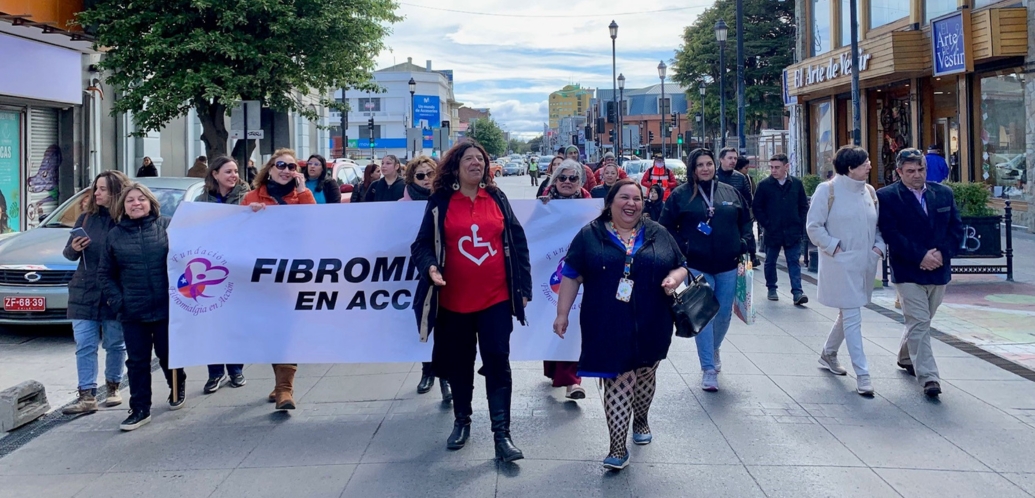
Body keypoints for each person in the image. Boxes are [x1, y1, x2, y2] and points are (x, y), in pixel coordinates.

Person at [553, 178, 688, 470]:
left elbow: (681, 264)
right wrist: (562, 313)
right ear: (610, 202)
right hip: (606, 323)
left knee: (645, 375)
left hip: (653, 320)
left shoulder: (657, 232)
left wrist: (674, 279)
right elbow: (571, 275)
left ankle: (640, 419)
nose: (631, 204)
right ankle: (617, 447)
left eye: (637, 199)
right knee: (619, 377)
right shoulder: (589, 235)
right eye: (624, 198)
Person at [410, 139, 531, 462]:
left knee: (497, 362)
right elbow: (420, 245)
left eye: (481, 159)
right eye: (470, 159)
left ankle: (502, 435)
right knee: (459, 365)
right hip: (453, 303)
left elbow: (517, 242)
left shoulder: (497, 197)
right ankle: (461, 421)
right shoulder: (441, 202)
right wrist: (430, 267)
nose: (477, 163)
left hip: (496, 299)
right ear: (456, 166)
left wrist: (525, 288)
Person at [659, 148, 752, 392]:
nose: (705, 168)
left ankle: (713, 348)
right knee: (705, 316)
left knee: (723, 315)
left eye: (709, 164)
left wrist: (743, 243)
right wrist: (684, 248)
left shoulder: (730, 192)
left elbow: (745, 221)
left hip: (728, 264)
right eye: (699, 165)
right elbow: (665, 227)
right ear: (692, 169)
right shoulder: (680, 196)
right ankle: (708, 368)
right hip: (697, 266)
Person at [98, 183, 186, 431]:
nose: (136, 204)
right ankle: (139, 408)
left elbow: (188, 257)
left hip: (166, 307)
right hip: (132, 311)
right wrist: (119, 301)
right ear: (123, 207)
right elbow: (105, 274)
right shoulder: (114, 235)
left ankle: (177, 385)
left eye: (141, 199)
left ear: (150, 203)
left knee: (168, 355)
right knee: (137, 362)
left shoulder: (167, 227)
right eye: (130, 201)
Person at [877, 148, 963, 397]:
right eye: (911, 171)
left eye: (921, 169)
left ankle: (906, 357)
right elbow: (891, 233)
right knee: (919, 320)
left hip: (939, 270)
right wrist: (920, 256)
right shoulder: (887, 197)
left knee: (922, 322)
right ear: (899, 172)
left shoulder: (944, 193)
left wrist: (941, 254)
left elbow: (956, 229)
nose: (917, 175)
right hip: (907, 270)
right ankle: (929, 377)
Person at [806, 145, 886, 397]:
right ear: (850, 168)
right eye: (864, 163)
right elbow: (814, 226)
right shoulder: (827, 190)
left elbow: (877, 226)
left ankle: (828, 353)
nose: (870, 165)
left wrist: (878, 248)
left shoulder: (870, 191)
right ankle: (863, 375)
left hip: (865, 263)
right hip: (840, 263)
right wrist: (835, 248)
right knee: (852, 316)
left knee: (848, 311)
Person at [244, 149, 316, 410]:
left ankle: (285, 389)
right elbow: (239, 236)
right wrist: (249, 216)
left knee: (287, 330)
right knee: (271, 331)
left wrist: (304, 191)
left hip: (294, 275)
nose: (286, 170)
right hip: (263, 278)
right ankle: (279, 385)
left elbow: (316, 225)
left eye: (292, 166)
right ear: (270, 168)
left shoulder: (302, 196)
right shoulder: (251, 197)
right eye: (281, 165)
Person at [61, 171, 130, 415]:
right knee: (85, 344)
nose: (96, 193)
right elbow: (68, 254)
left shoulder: (125, 221)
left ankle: (113, 386)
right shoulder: (86, 218)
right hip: (84, 289)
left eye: (102, 189)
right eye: (95, 188)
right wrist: (74, 247)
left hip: (112, 291)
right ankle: (87, 395)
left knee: (114, 343)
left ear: (115, 192)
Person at [194, 156, 249, 394]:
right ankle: (215, 373)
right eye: (228, 171)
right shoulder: (201, 201)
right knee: (213, 321)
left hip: (238, 268)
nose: (233, 175)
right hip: (210, 269)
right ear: (215, 174)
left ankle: (236, 369)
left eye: (235, 171)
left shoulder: (247, 198)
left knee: (234, 321)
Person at [400, 155, 452, 402]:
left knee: (443, 325)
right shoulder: (400, 205)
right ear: (412, 178)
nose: (426, 180)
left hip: (439, 272)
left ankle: (445, 378)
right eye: (420, 176)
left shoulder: (446, 200)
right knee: (423, 324)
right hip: (407, 275)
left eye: (430, 174)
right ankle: (427, 371)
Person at [538, 159, 591, 399]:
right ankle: (554, 370)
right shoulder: (543, 203)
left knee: (575, 323)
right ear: (554, 179)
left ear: (580, 181)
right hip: (549, 272)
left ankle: (573, 382)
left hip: (580, 272)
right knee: (551, 321)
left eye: (573, 178)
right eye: (562, 178)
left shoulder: (590, 204)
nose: (567, 182)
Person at [753, 153, 809, 305]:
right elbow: (757, 207)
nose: (773, 170)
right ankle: (772, 287)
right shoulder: (765, 185)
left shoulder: (796, 184)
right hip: (773, 230)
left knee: (794, 261)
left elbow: (803, 205)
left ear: (786, 167)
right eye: (771, 167)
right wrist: (767, 223)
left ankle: (797, 292)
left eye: (777, 167)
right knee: (770, 261)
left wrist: (800, 223)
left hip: (792, 230)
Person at [716, 148, 758, 266]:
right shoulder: (714, 176)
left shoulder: (740, 177)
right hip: (717, 221)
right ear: (721, 159)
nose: (733, 161)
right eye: (730, 158)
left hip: (736, 222)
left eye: (735, 158)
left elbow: (747, 200)